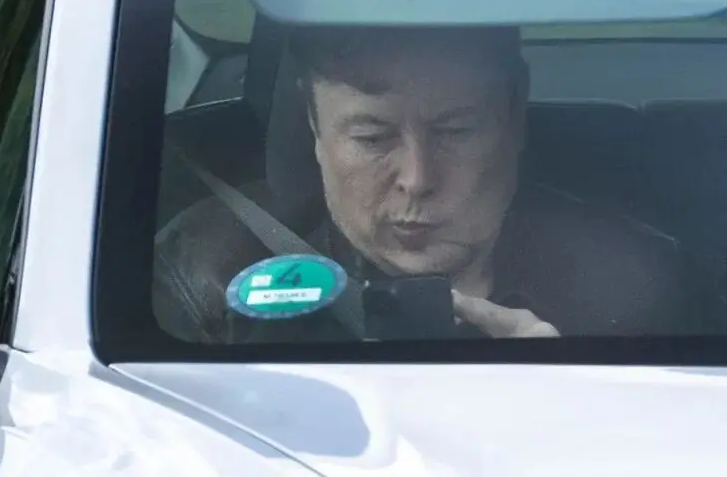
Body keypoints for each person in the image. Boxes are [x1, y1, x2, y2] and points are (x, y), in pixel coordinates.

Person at [153, 25, 706, 343]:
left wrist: (568, 405)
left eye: (455, 131)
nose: (417, 179)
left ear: (514, 117)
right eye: (372, 137)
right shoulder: (205, 279)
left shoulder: (630, 288)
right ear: (315, 127)